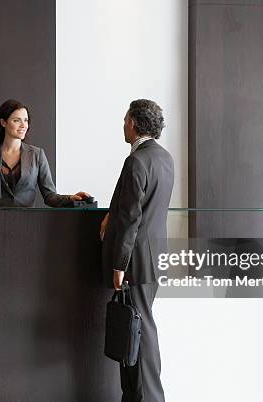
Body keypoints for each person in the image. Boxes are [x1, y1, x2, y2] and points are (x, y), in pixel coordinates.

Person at [100, 99, 174, 402]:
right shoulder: (164, 157)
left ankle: (149, 398)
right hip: (153, 258)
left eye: (125, 119)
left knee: (140, 333)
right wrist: (110, 214)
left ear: (135, 123)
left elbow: (132, 218)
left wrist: (119, 263)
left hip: (135, 261)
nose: (123, 124)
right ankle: (133, 396)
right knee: (137, 328)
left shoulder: (137, 161)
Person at [0, 99, 89, 207]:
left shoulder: (37, 154)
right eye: (17, 120)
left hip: (28, 221)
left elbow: (49, 196)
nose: (23, 125)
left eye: (26, 120)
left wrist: (70, 198)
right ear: (3, 122)